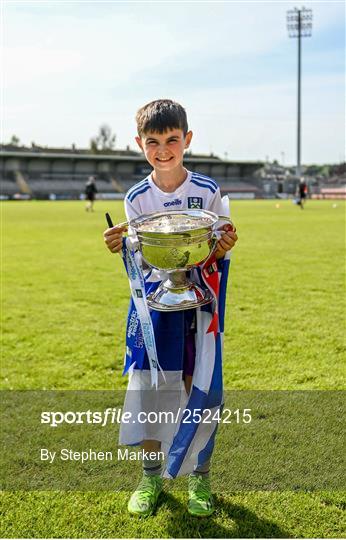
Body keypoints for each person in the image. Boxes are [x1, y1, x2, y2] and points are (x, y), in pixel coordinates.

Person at [103, 99, 238, 517]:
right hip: (156, 307)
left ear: (187, 140)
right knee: (151, 390)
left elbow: (214, 248)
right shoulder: (136, 197)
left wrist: (223, 244)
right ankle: (150, 477)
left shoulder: (207, 191)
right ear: (140, 144)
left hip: (199, 305)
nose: (164, 150)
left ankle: (200, 478)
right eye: (154, 142)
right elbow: (141, 258)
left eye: (172, 140)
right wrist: (120, 245)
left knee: (200, 389)